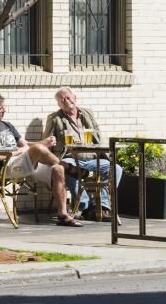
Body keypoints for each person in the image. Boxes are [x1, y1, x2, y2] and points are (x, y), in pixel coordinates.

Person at [0, 93, 82, 226]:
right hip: (7, 167)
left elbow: (26, 144)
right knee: (38, 149)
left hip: (24, 163)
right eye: (0, 108)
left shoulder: (7, 125)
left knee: (58, 169)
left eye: (4, 107)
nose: (4, 110)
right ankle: (70, 168)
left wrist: (44, 143)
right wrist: (21, 150)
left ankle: (63, 215)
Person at [44, 87, 122, 221]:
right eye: (62, 99)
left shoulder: (87, 113)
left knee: (115, 169)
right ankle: (85, 206)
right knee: (64, 168)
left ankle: (102, 206)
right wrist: (51, 147)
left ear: (75, 98)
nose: (66, 101)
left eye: (68, 97)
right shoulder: (54, 118)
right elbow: (47, 142)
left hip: (92, 157)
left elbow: (97, 135)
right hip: (70, 158)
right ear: (59, 104)